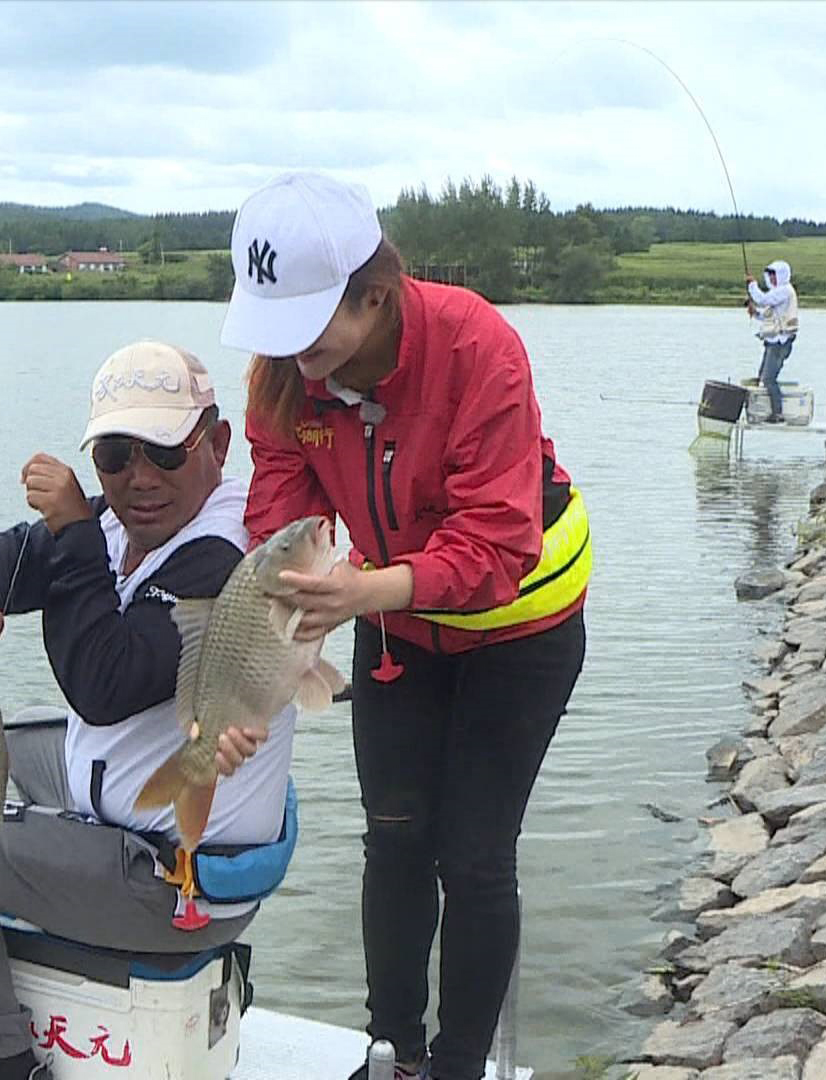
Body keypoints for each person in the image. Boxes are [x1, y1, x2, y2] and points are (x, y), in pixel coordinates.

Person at [218, 171, 589, 1080]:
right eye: (272, 327)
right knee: (393, 838)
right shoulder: (283, 374)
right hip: (394, 632)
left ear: (375, 295)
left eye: (307, 327)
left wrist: (365, 591)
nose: (289, 354)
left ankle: (460, 1065)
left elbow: (499, 543)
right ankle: (394, 1050)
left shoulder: (478, 347)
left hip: (520, 629)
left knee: (473, 855)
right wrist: (259, 662)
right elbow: (278, 511)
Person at [0, 341, 295, 1080]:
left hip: (174, 878)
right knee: (5, 731)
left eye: (164, 453)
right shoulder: (122, 526)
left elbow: (104, 680)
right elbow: (2, 553)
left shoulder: (226, 559)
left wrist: (71, 531)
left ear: (217, 444)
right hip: (132, 806)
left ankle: (0, 1057)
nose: (139, 480)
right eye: (115, 456)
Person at [746, 260, 800, 423]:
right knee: (763, 376)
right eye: (770, 275)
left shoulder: (784, 291)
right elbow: (767, 315)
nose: (771, 278)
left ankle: (778, 413)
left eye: (774, 275)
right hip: (773, 342)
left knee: (768, 378)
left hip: (780, 343)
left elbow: (762, 299)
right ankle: (770, 411)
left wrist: (752, 285)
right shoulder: (778, 293)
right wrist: (754, 313)